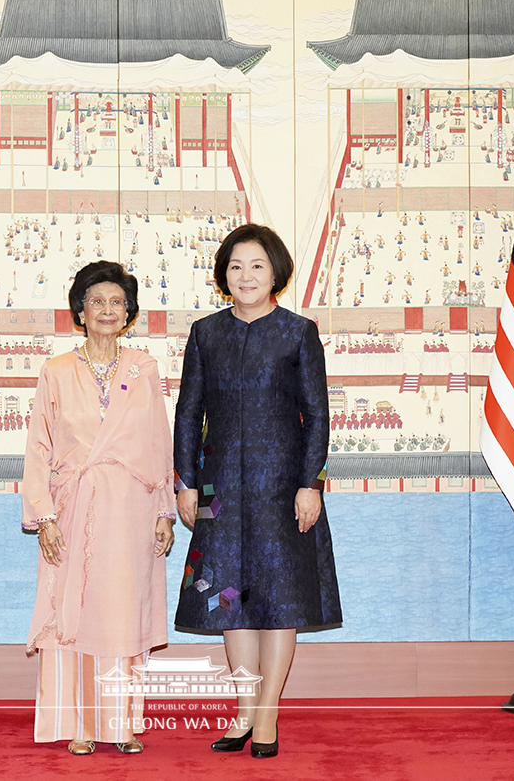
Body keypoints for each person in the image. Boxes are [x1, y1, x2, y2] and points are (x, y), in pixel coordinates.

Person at [174, 223, 341, 759]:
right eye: (236, 267)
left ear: (276, 274)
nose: (246, 276)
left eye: (257, 267)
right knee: (229, 598)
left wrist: (309, 484)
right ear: (224, 276)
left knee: (278, 598)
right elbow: (187, 413)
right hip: (219, 489)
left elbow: (317, 415)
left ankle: (266, 712)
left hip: (281, 488)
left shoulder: (298, 332)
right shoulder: (205, 333)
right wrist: (186, 482)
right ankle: (244, 710)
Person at [23, 260, 176, 756]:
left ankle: (123, 724)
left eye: (117, 303)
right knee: (77, 612)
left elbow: (159, 444)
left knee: (122, 613)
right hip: (72, 510)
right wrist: (44, 517)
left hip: (131, 511)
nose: (108, 311)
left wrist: (163, 510)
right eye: (97, 302)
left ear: (128, 313)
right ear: (80, 312)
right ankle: (83, 725)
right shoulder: (57, 371)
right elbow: (38, 450)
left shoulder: (143, 368)